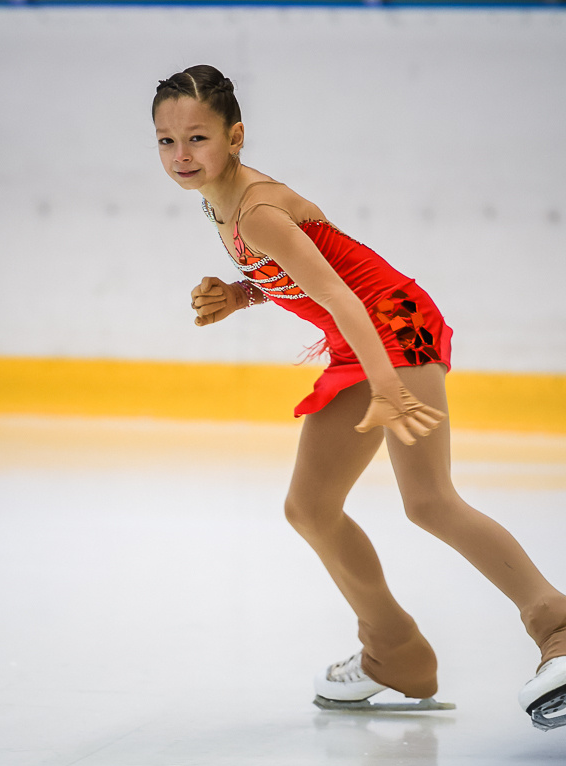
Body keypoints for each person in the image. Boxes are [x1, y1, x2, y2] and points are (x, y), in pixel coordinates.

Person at [152, 64, 566, 731]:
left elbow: (344, 295)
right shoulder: (219, 201)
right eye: (167, 142)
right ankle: (394, 651)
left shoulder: (256, 211)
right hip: (360, 340)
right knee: (311, 507)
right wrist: (241, 294)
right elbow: (309, 275)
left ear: (235, 137)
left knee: (429, 501)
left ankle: (556, 626)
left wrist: (389, 384)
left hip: (394, 324)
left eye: (197, 138)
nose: (181, 155)